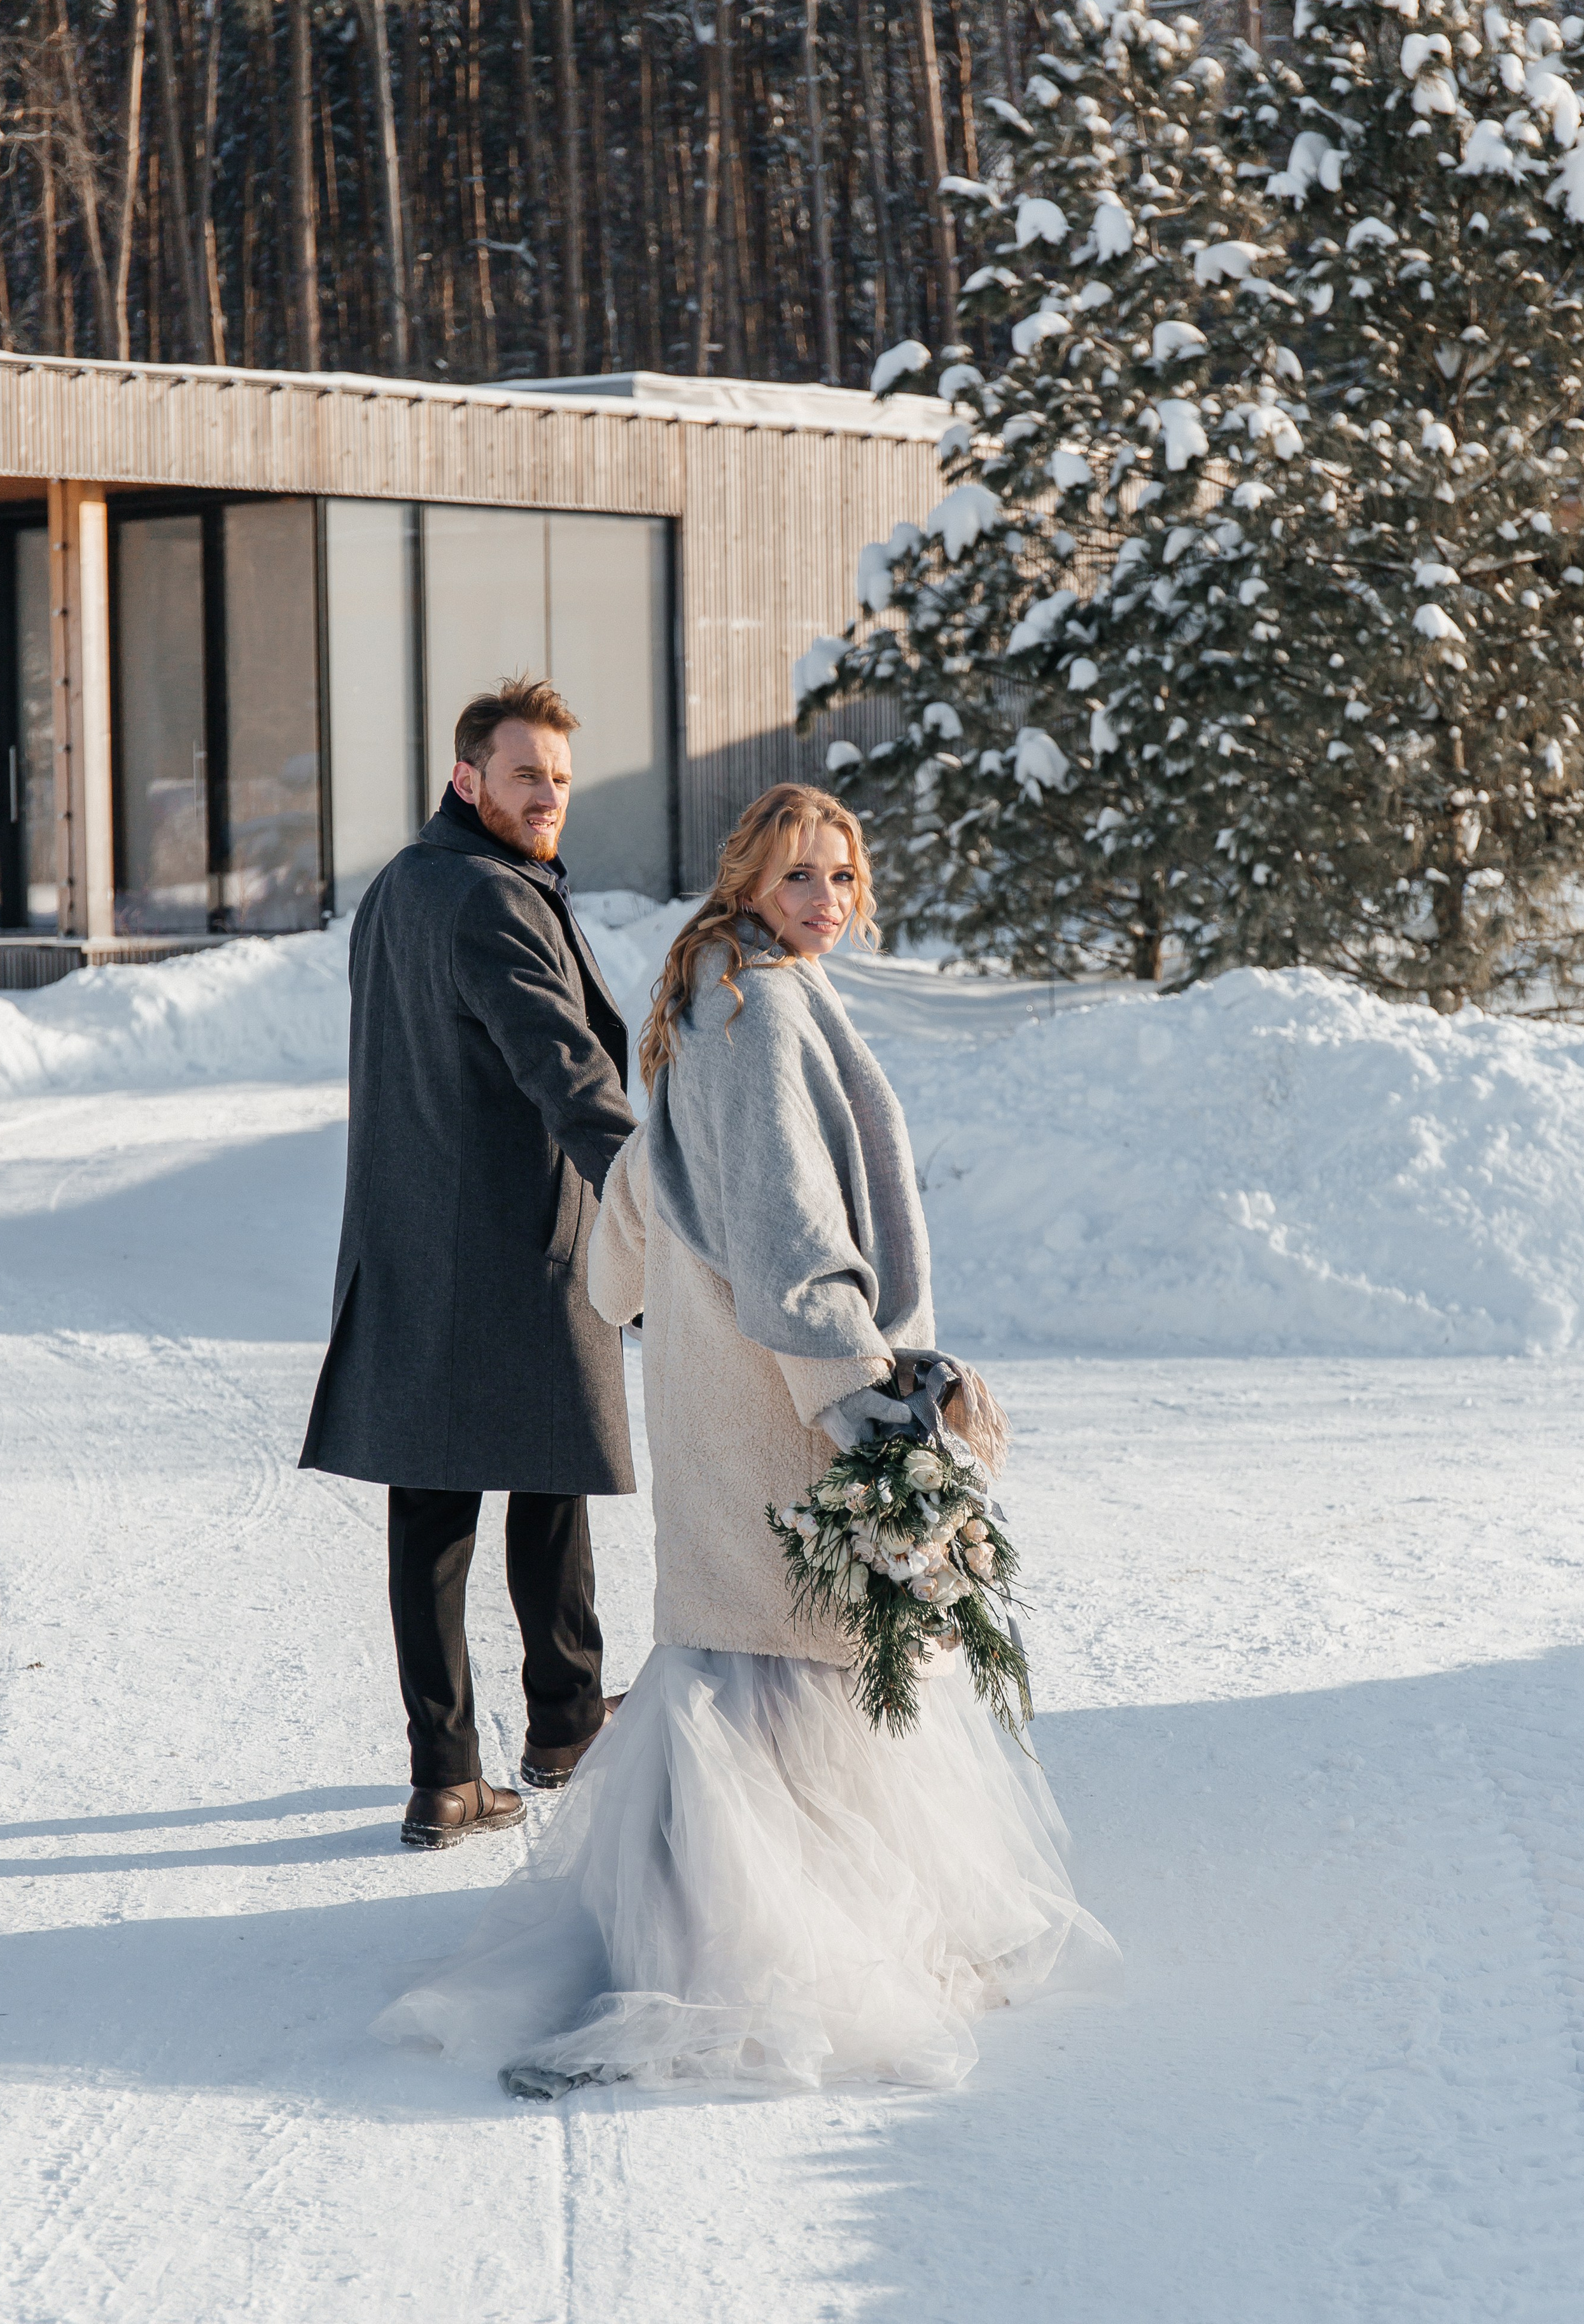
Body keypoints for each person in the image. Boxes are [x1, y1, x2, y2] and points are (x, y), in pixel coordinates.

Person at [373, 783, 1119, 2090]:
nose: (824, 902)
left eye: (840, 876)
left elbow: (641, 1204)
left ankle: (753, 1932)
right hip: (781, 1396)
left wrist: (655, 1284)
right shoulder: (752, 1004)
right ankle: (735, 1968)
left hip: (725, 1389)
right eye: (796, 879)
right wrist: (860, 1402)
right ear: (743, 885)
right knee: (783, 1673)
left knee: (751, 1664)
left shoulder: (707, 992)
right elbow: (784, 1231)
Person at [300, 676, 638, 1850]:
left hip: (411, 1235)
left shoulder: (403, 885)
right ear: (467, 778)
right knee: (547, 1490)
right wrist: (648, 1195)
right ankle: (565, 1727)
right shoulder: (490, 898)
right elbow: (564, 1067)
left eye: (557, 778)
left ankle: (456, 1769)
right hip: (511, 1240)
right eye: (524, 775)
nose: (547, 797)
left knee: (439, 1512)